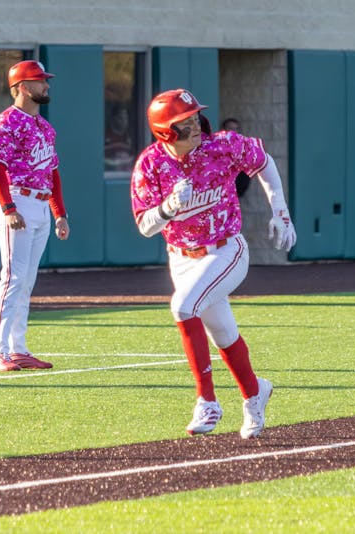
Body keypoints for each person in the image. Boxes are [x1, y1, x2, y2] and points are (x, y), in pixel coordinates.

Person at [130, 89, 297, 439]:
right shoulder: (149, 164)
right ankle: (255, 393)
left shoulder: (222, 145)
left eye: (194, 117)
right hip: (182, 258)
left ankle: (207, 400)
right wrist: (168, 209)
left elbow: (264, 162)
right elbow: (146, 227)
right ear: (165, 131)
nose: (195, 124)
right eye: (184, 121)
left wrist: (280, 211)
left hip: (226, 249)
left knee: (182, 305)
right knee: (222, 332)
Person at [0, 60, 70, 372]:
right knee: (13, 278)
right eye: (39, 81)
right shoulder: (5, 123)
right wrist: (8, 208)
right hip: (17, 200)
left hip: (40, 204)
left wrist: (59, 213)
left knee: (27, 280)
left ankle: (17, 348)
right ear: (22, 87)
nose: (46, 85)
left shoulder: (45, 127)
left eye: (45, 80)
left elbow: (53, 172)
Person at [221, 118, 251, 197]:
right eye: (230, 128)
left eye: (236, 129)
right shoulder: (216, 147)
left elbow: (246, 171)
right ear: (223, 130)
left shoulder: (243, 148)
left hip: (235, 193)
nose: (233, 131)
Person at [104, 104, 135, 171]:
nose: (124, 121)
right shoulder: (105, 136)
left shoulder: (130, 136)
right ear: (114, 119)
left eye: (126, 118)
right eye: (121, 118)